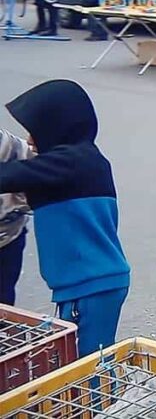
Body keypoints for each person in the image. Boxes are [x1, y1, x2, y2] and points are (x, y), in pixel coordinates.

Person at [0, 80, 131, 355]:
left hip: (90, 285)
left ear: (57, 127)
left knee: (87, 365)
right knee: (81, 357)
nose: (31, 141)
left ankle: (99, 399)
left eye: (36, 132)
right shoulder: (82, 160)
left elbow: (12, 176)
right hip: (90, 283)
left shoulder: (70, 162)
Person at [0, 129, 33, 305]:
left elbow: (40, 179)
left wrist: (16, 208)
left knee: (4, 307)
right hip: (10, 235)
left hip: (8, 240)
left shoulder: (9, 144)